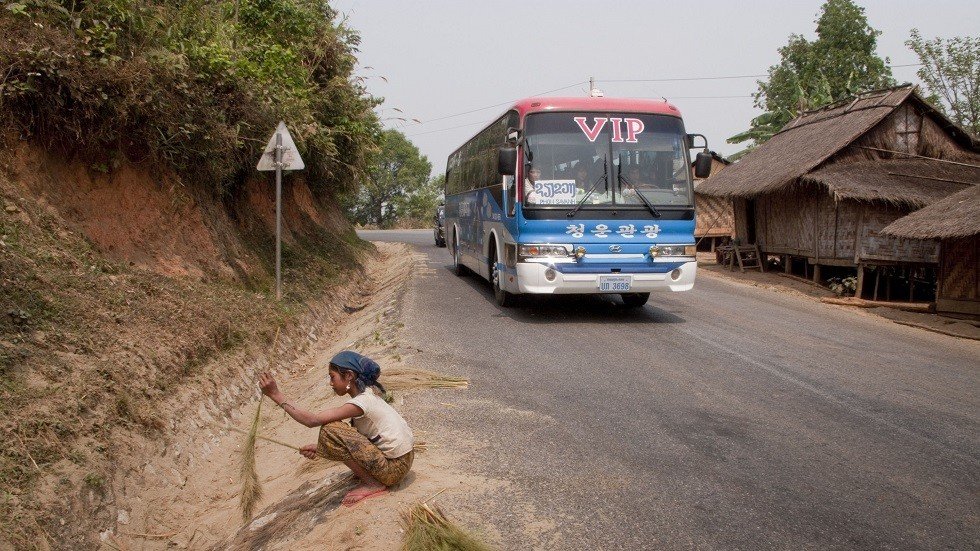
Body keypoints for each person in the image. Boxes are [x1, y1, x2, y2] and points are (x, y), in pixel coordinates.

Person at [258, 351, 415, 507]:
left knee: (330, 429)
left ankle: (373, 484)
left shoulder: (362, 403)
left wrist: (275, 394)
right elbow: (361, 441)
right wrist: (321, 449)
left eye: (332, 377)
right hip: (403, 463)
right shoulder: (369, 396)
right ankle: (371, 477)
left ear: (348, 376)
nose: (330, 383)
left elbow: (312, 420)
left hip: (393, 470)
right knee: (335, 432)